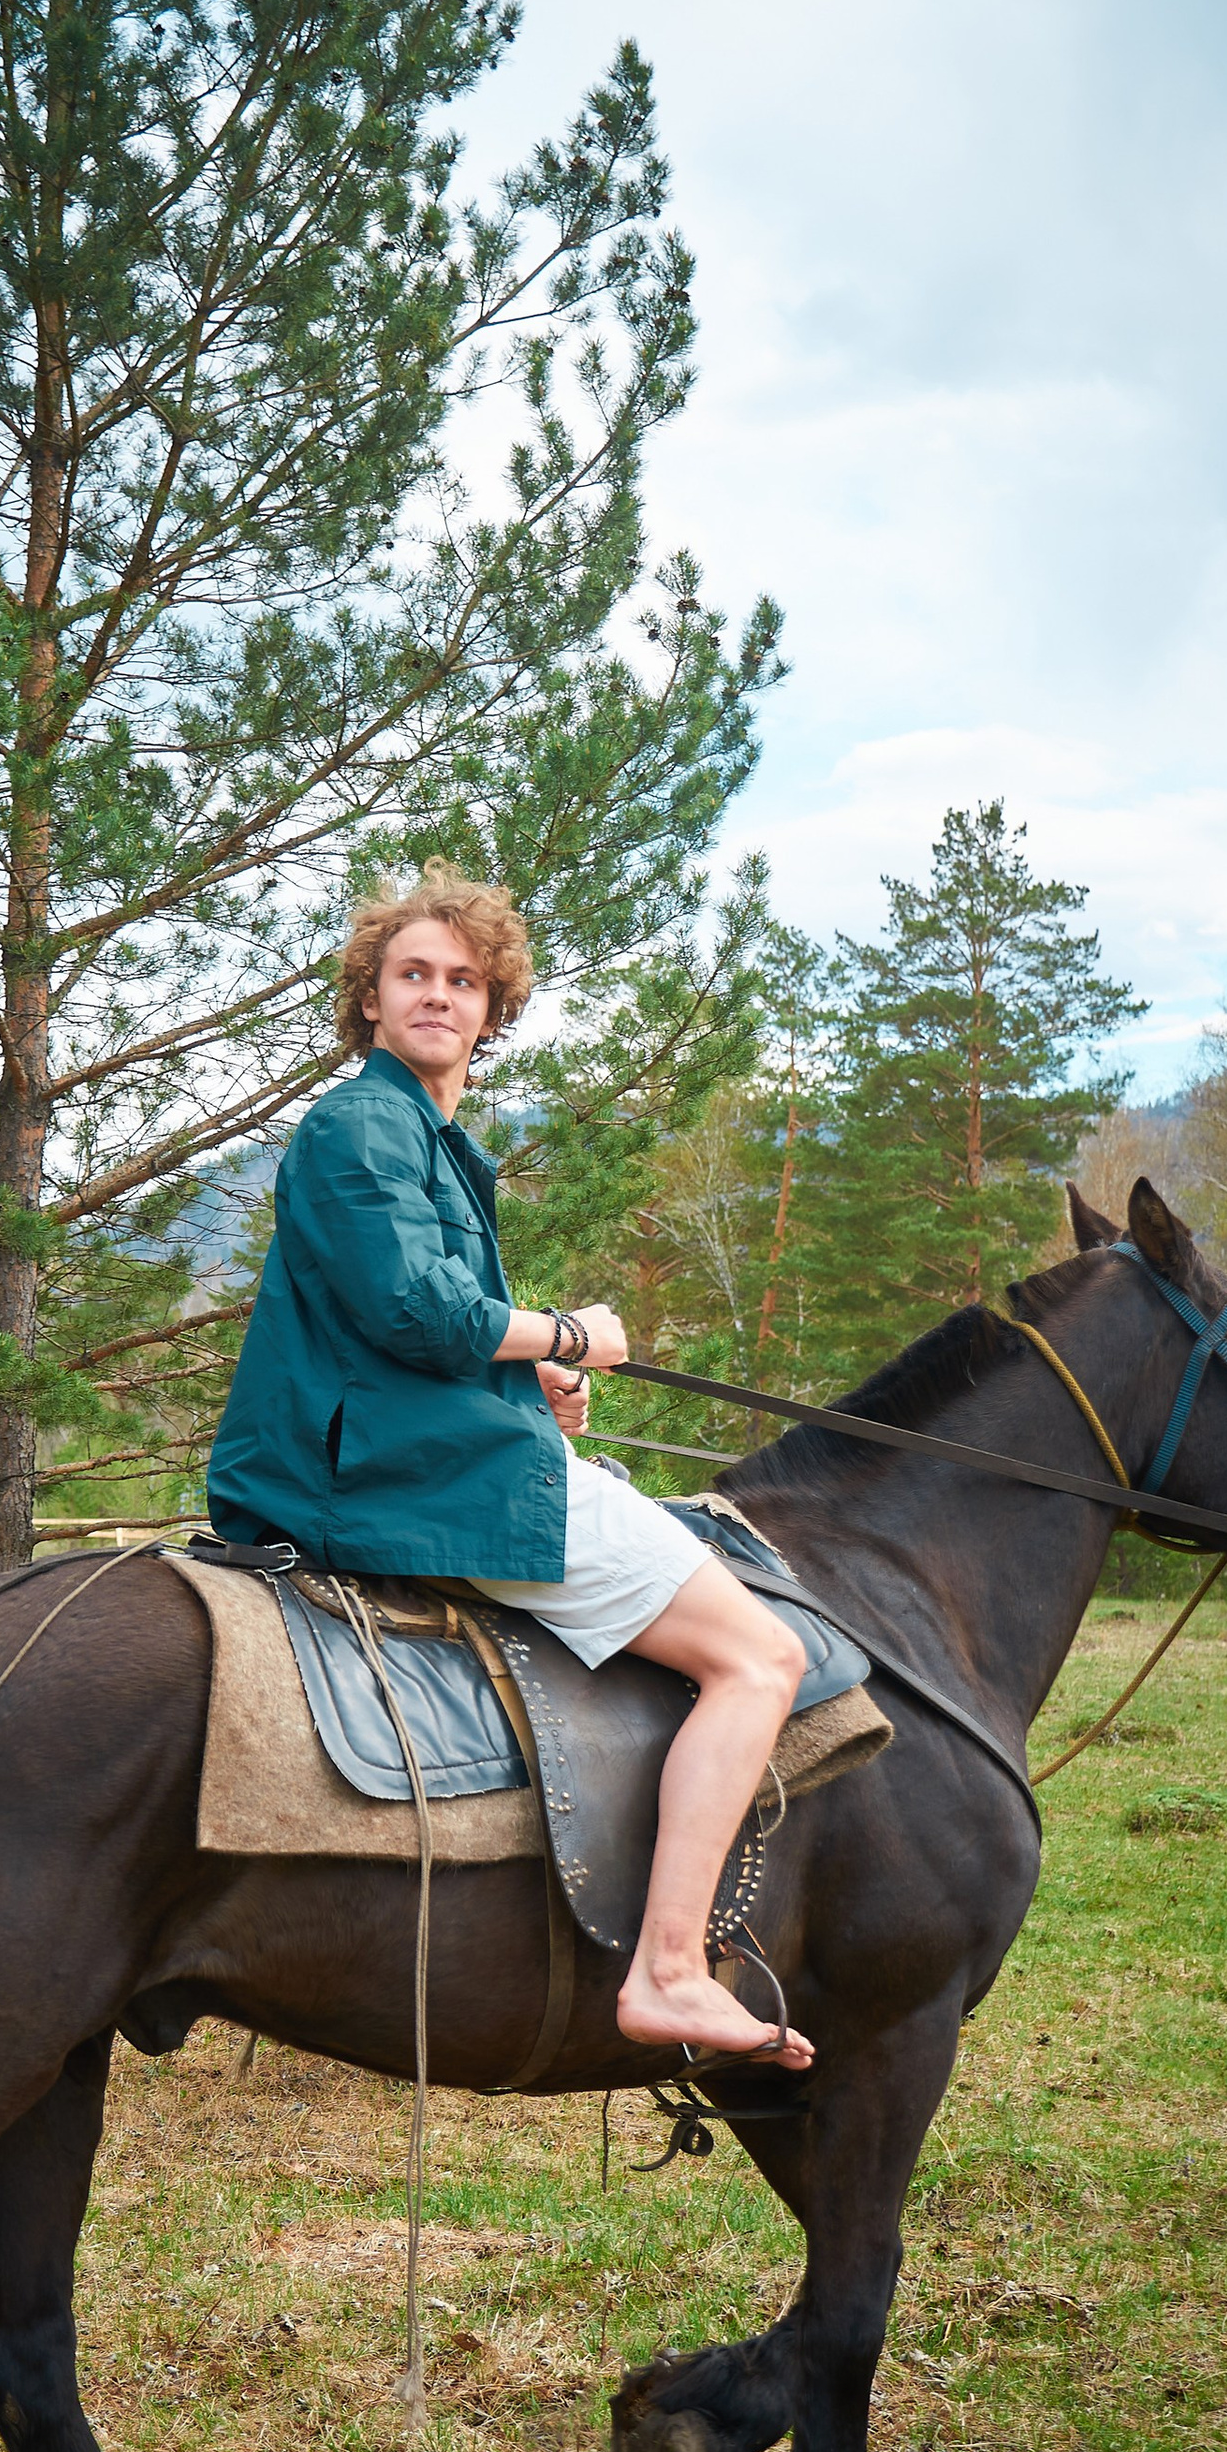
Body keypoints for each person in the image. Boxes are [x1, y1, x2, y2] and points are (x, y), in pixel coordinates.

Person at [207, 866, 812, 2072]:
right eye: (412, 975)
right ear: (370, 1000)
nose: (437, 994)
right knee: (760, 1657)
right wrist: (570, 1333)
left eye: (462, 980)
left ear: (492, 1010)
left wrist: (525, 1382)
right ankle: (670, 1970)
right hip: (393, 1480)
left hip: (405, 1446)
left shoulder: (426, 1138)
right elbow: (415, 1310)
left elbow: (391, 1337)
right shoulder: (361, 1125)